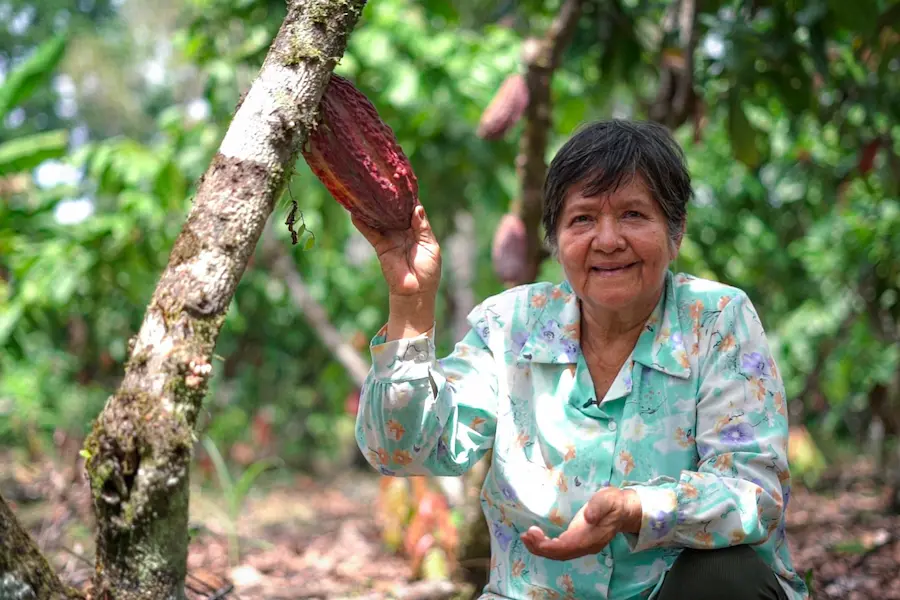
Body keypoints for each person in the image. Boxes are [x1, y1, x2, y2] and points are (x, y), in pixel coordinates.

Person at [353, 120, 809, 600]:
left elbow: (752, 491)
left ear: (675, 233)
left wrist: (636, 508)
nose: (608, 240)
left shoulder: (716, 320)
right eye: (583, 219)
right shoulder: (512, 325)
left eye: (633, 214)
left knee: (729, 577)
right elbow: (402, 450)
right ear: (556, 241)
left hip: (671, 593)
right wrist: (410, 303)